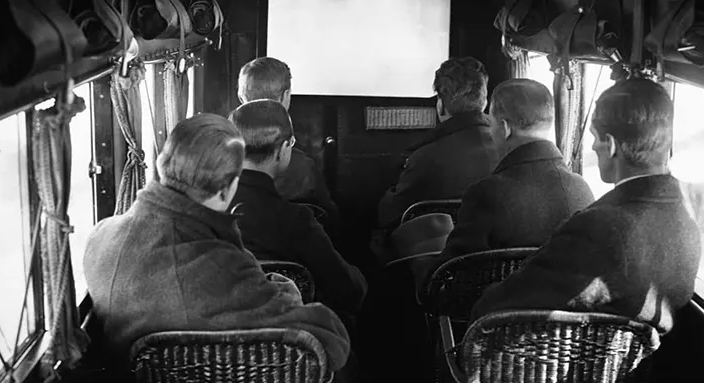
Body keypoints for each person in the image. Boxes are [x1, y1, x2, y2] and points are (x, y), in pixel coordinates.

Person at [83, 113, 350, 383]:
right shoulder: (221, 269)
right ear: (227, 189)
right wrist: (287, 289)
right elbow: (324, 337)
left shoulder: (101, 239)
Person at [469, 77, 702, 383]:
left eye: (594, 139)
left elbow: (494, 312)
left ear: (609, 145)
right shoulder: (685, 221)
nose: (592, 148)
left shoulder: (603, 228)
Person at [229, 100, 367, 331]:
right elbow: (348, 288)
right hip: (288, 351)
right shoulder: (295, 221)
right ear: (284, 148)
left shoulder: (200, 212)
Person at [430, 78, 594, 271]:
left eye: (490, 124)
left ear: (505, 128)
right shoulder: (583, 190)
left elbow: (450, 269)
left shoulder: (487, 194)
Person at [377, 57, 499, 231]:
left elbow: (388, 215)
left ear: (440, 105)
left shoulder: (424, 158)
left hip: (437, 253)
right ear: (484, 102)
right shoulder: (508, 150)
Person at [237, 57, 339, 225]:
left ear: (241, 97)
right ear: (286, 96)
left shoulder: (216, 157)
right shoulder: (304, 168)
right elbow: (330, 221)